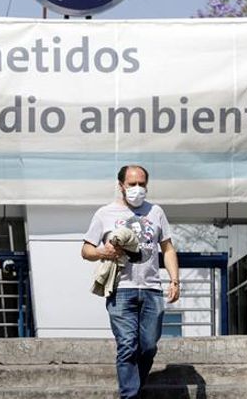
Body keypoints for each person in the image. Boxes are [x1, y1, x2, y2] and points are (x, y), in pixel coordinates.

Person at [81, 164, 180, 399]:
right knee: (127, 345)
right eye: (132, 184)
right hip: (120, 289)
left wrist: (174, 280)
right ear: (121, 186)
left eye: (142, 184)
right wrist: (103, 252)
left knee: (148, 346)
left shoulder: (156, 212)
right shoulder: (105, 214)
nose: (137, 188)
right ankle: (130, 396)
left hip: (151, 289)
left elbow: (167, 248)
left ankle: (135, 386)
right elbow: (85, 250)